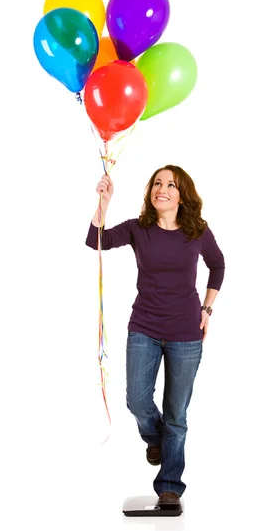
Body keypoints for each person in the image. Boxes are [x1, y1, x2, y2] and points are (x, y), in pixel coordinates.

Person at [85, 165, 225, 506]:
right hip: (144, 327)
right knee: (136, 400)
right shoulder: (139, 229)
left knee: (177, 412)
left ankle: (169, 487)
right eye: (157, 183)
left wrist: (206, 310)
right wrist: (104, 200)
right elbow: (95, 240)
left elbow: (218, 265)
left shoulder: (197, 231)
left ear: (182, 195)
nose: (161, 188)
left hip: (185, 333)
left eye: (170, 185)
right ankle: (157, 438)